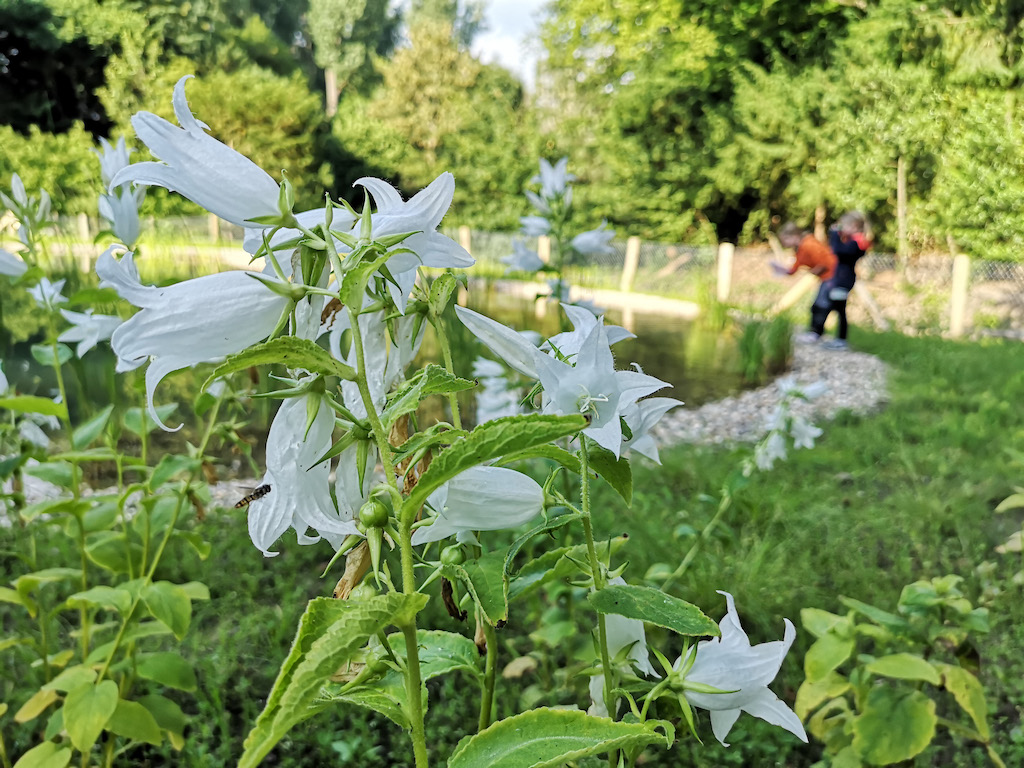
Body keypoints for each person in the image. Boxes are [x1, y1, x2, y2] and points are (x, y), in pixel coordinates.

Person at [772, 222, 837, 343]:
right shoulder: (799, 249)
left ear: (795, 236)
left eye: (786, 239)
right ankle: (815, 332)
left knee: (821, 304)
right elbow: (793, 269)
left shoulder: (809, 244)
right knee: (820, 305)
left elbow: (824, 264)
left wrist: (812, 272)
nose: (784, 243)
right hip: (826, 277)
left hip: (833, 276)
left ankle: (816, 333)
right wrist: (781, 269)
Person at [823, 211, 871, 350]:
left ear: (854, 226)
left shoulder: (855, 244)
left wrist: (834, 234)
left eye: (844, 226)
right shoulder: (853, 242)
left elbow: (837, 250)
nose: (841, 229)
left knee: (839, 309)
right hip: (842, 279)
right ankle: (838, 338)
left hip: (843, 280)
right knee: (837, 308)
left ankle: (841, 340)